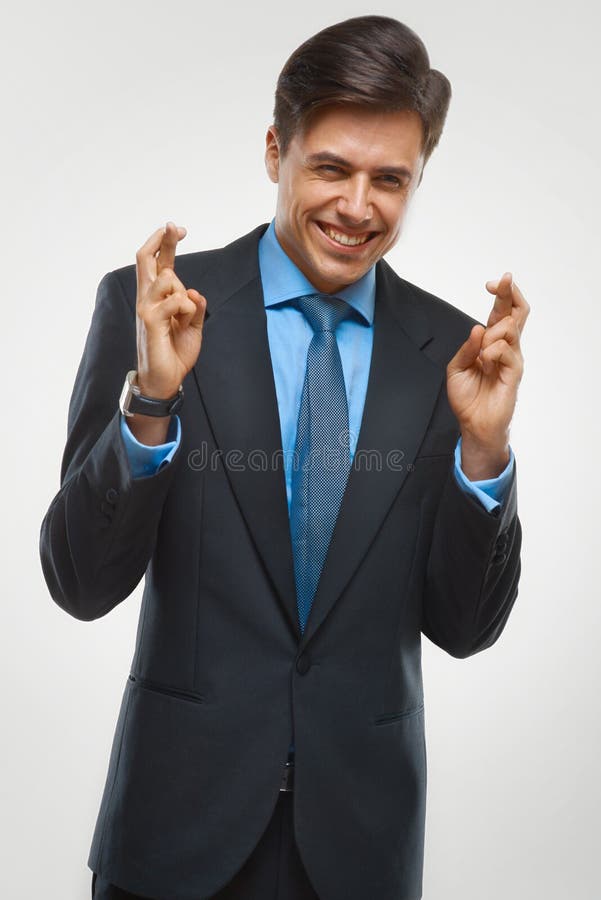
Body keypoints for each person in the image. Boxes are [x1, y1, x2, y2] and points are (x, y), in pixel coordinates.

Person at [39, 14, 528, 900]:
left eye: (390, 179)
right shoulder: (156, 309)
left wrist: (484, 452)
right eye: (330, 168)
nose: (357, 207)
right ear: (276, 151)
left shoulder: (453, 353)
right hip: (173, 835)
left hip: (362, 848)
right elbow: (79, 583)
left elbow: (465, 629)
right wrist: (151, 402)